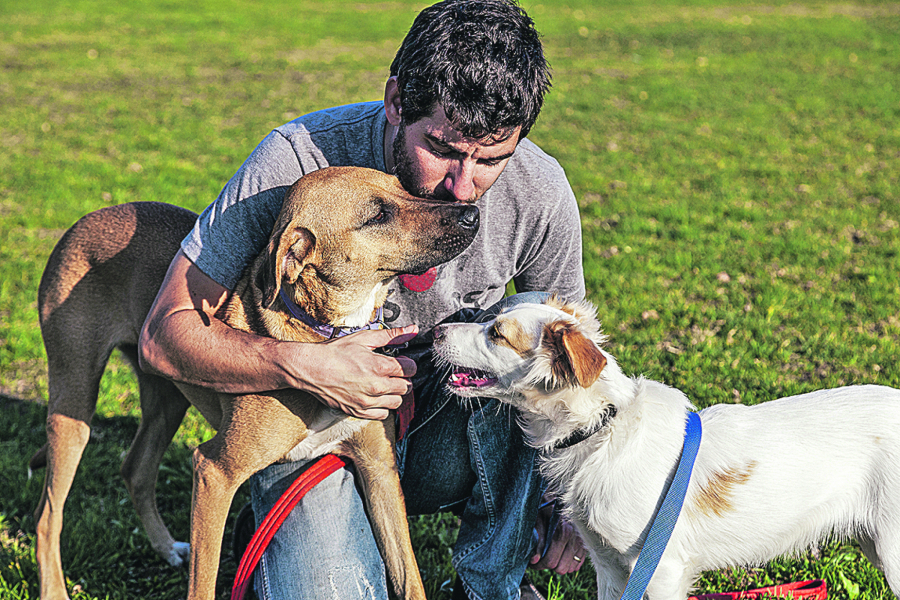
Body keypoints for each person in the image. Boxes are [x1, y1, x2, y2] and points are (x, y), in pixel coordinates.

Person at [138, 0, 587, 598]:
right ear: (397, 100)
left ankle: (490, 587)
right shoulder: (295, 164)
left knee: (514, 351)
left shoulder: (539, 190)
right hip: (307, 429)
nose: (462, 188)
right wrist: (306, 365)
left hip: (438, 424)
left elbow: (566, 357)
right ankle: (281, 523)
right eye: (445, 149)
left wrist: (574, 492)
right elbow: (164, 335)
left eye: (493, 160)